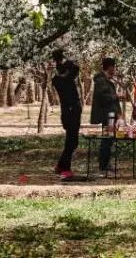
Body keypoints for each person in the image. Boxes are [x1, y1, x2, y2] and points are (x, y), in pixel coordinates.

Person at [51, 49, 82, 181]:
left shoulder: (58, 79)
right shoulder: (62, 80)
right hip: (70, 113)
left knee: (72, 141)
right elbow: (75, 68)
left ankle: (60, 166)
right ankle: (65, 169)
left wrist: (63, 60)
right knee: (71, 142)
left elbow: (73, 69)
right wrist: (66, 60)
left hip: (70, 112)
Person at [90, 57, 120, 173]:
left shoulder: (107, 81)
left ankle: (105, 163)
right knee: (107, 139)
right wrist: (116, 96)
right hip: (106, 115)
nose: (115, 69)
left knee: (109, 139)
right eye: (114, 67)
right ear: (110, 67)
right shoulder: (101, 81)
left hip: (111, 115)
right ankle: (104, 164)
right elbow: (102, 97)